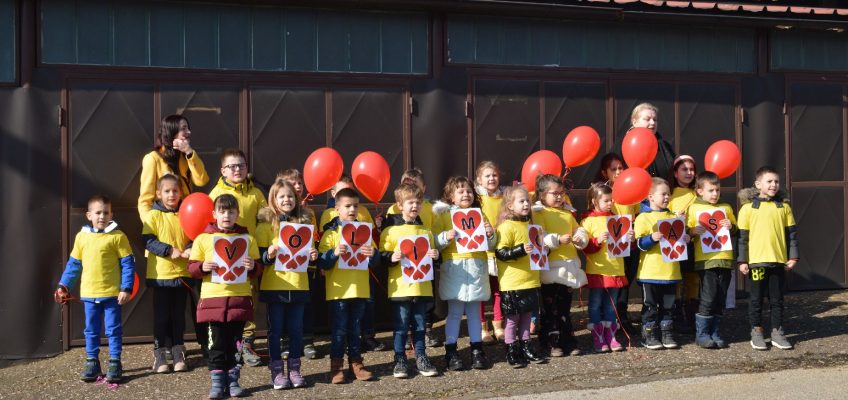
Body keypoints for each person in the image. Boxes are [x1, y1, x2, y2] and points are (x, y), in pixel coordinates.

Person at [55, 195, 135, 383]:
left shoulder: (118, 236)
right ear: (88, 215)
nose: (102, 216)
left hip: (112, 295)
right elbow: (73, 265)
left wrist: (126, 288)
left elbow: (128, 265)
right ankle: (92, 362)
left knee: (113, 330)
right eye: (98, 212)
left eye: (106, 212)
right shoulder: (82, 237)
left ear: (111, 214)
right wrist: (63, 285)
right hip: (89, 295)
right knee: (90, 330)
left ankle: (115, 362)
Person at [188, 194, 261, 398]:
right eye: (222, 211)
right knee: (216, 345)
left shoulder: (248, 240)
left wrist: (253, 266)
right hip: (213, 301)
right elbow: (191, 268)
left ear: (238, 214)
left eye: (231, 211)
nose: (226, 215)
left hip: (239, 300)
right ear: (214, 214)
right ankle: (217, 384)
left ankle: (234, 381)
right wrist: (202, 266)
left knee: (236, 345)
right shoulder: (203, 239)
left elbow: (258, 269)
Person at [256, 179, 318, 389]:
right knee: (275, 331)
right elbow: (260, 258)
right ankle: (276, 372)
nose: (286, 200)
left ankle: (294, 370)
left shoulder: (304, 225)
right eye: (281, 196)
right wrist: (269, 254)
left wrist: (313, 254)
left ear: (297, 199)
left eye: (290, 196)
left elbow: (307, 255)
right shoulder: (265, 226)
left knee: (296, 330)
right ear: (273, 199)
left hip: (298, 285)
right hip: (275, 286)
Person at [208, 148, 267, 367]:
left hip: (248, 257)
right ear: (223, 170)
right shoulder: (215, 194)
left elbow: (266, 220)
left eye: (241, 165)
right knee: (226, 300)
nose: (237, 170)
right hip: (222, 258)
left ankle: (247, 343)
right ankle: (228, 344)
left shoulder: (256, 194)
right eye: (232, 166)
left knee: (249, 298)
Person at [317, 188, 379, 384]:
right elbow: (322, 262)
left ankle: (356, 364)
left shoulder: (364, 230)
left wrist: (373, 255)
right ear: (337, 209)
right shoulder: (330, 233)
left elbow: (375, 261)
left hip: (359, 288)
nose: (352, 209)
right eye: (347, 206)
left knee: (355, 329)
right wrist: (334, 253)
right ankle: (336, 367)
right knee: (339, 330)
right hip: (338, 291)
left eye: (355, 206)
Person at [432, 176, 494, 371]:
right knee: (455, 313)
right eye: (460, 191)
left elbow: (491, 245)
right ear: (451, 196)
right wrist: (445, 237)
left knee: (475, 313)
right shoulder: (443, 216)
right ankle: (451, 351)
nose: (466, 194)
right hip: (455, 268)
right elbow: (434, 241)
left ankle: (477, 350)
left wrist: (491, 233)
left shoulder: (480, 214)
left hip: (477, 267)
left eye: (468, 190)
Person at [380, 183, 441, 378]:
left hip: (421, 287)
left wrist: (436, 255)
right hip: (400, 289)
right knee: (401, 325)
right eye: (410, 202)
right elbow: (381, 256)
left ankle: (421, 356)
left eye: (418, 202)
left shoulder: (426, 231)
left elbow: (434, 260)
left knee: (420, 324)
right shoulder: (389, 232)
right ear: (400, 205)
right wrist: (390, 257)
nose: (415, 206)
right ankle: (400, 359)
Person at [737, 166, 799, 351]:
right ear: (758, 184)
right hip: (756, 263)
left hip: (778, 262)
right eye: (769, 181)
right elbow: (742, 238)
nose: (774, 185)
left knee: (777, 299)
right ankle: (756, 332)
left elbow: (792, 236)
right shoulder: (747, 209)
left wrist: (793, 257)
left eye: (776, 182)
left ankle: (777, 332)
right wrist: (742, 261)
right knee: (756, 299)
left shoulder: (784, 207)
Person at [532, 174, 588, 357]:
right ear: (542, 195)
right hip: (551, 267)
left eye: (561, 193)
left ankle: (567, 339)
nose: (559, 197)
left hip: (569, 265)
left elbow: (577, 228)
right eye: (554, 193)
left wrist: (580, 237)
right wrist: (557, 239)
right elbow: (540, 236)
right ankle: (550, 341)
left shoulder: (567, 213)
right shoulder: (539, 213)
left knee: (564, 307)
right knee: (550, 307)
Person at [142, 174, 191, 373]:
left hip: (182, 274)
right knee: (161, 316)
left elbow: (195, 234)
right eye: (167, 191)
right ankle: (159, 353)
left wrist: (190, 248)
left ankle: (178, 350)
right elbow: (148, 241)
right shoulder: (152, 216)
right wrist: (169, 250)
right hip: (160, 276)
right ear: (158, 194)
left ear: (181, 193)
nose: (172, 195)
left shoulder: (185, 214)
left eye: (175, 191)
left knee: (178, 316)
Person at [495, 185, 547, 368]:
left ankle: (526, 346)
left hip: (531, 280)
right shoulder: (506, 227)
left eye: (528, 201)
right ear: (510, 206)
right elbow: (500, 252)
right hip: (512, 282)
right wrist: (519, 250)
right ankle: (511, 348)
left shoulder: (533, 226)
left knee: (526, 316)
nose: (526, 204)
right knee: (512, 318)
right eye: (521, 201)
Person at [634, 178, 689, 350]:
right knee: (650, 305)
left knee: (668, 305)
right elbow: (639, 245)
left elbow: (679, 241)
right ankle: (649, 334)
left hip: (671, 272)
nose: (667, 197)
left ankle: (667, 333)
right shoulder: (643, 217)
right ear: (650, 196)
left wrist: (685, 237)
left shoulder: (673, 217)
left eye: (668, 194)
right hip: (650, 273)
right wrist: (651, 238)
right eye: (663, 194)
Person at [686, 171, 737, 349]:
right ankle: (702, 334)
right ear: (700, 191)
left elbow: (735, 230)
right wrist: (692, 232)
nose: (715, 194)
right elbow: (686, 232)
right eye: (711, 190)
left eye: (717, 190)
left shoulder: (726, 208)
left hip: (725, 259)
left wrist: (731, 227)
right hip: (706, 262)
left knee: (720, 298)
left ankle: (715, 331)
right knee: (708, 297)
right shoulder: (693, 208)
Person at [275, 168, 322, 360]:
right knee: (284, 305)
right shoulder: (274, 215)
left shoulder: (308, 212)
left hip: (305, 268)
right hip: (282, 270)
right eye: (292, 184)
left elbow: (315, 237)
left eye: (300, 183)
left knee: (306, 305)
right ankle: (286, 341)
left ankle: (307, 340)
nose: (297, 187)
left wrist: (314, 252)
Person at [581, 183, 632, 352]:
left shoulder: (617, 219)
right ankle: (598, 336)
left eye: (611, 200)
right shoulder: (587, 221)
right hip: (597, 270)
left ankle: (611, 336)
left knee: (612, 305)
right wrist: (596, 241)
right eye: (606, 200)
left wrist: (629, 238)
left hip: (615, 269)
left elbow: (625, 247)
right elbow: (584, 247)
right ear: (594, 201)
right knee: (595, 304)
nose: (610, 203)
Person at [595, 152, 640, 335]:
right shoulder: (602, 192)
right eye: (614, 169)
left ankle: (622, 317)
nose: (618, 171)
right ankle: (608, 319)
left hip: (629, 244)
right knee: (612, 283)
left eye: (621, 167)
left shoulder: (632, 189)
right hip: (611, 245)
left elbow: (636, 215)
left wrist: (634, 230)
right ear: (605, 173)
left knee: (626, 281)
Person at [138, 114, 208, 220]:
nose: (189, 132)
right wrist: (150, 226)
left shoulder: (186, 156)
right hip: (163, 221)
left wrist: (189, 152)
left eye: (188, 128)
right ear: (172, 132)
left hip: (186, 218)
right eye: (184, 129)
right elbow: (145, 199)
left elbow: (201, 181)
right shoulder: (153, 158)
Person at [476, 160, 507, 344]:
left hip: (500, 250)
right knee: (481, 292)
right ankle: (482, 327)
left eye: (494, 175)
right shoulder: (476, 199)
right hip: (482, 252)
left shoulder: (504, 197)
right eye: (487, 175)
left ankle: (498, 325)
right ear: (479, 179)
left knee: (498, 290)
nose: (491, 178)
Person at [668, 155, 699, 334]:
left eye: (692, 169)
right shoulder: (670, 195)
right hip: (676, 244)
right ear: (675, 172)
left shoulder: (698, 193)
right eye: (684, 170)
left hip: (696, 243)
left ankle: (693, 313)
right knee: (678, 279)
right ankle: (677, 316)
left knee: (693, 278)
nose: (689, 173)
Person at [613, 102, 676, 179]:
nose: (652, 123)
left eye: (655, 120)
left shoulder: (664, 146)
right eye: (647, 119)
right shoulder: (622, 144)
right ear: (635, 122)